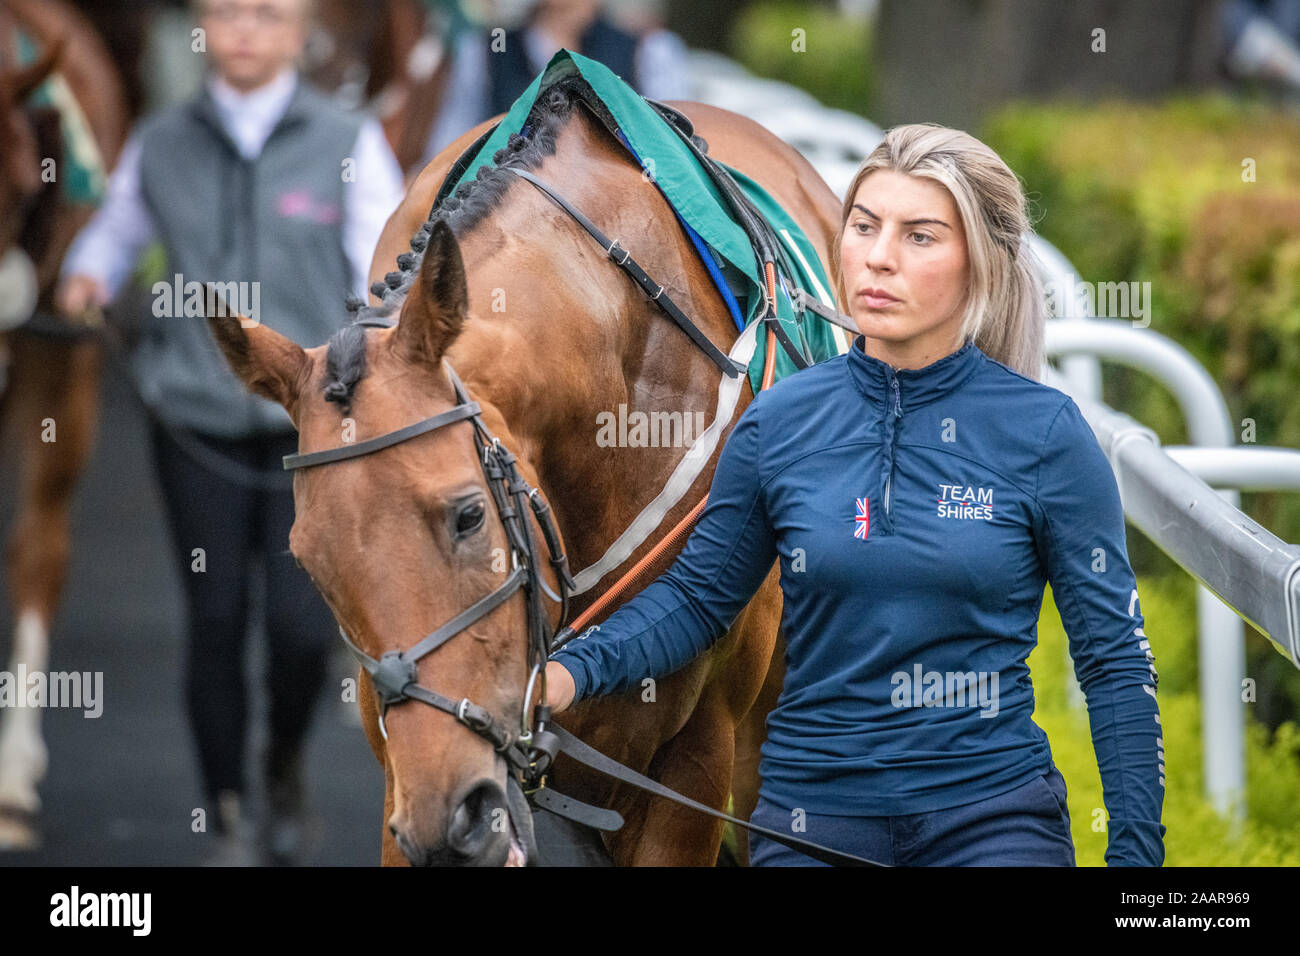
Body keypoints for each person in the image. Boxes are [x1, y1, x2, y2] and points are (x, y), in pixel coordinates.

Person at [543, 124, 1166, 867]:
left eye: (920, 236)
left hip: (994, 823)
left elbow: (1115, 660)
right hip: (811, 823)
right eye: (865, 226)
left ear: (983, 265)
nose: (879, 256)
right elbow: (699, 602)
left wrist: (1137, 863)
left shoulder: (1046, 434)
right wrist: (566, 672)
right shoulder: (777, 421)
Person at [56, 0, 405, 864]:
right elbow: (114, 233)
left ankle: (282, 765)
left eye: (266, 14)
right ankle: (226, 817)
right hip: (196, 418)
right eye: (228, 14)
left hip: (316, 428)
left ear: (297, 33)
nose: (244, 30)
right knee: (214, 618)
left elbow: (388, 267)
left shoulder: (349, 142)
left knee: (299, 629)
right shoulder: (163, 142)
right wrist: (85, 277)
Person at [421, 0, 690, 165]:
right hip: (509, 220)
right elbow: (450, 153)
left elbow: (675, 157)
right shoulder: (488, 49)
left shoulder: (646, 50)